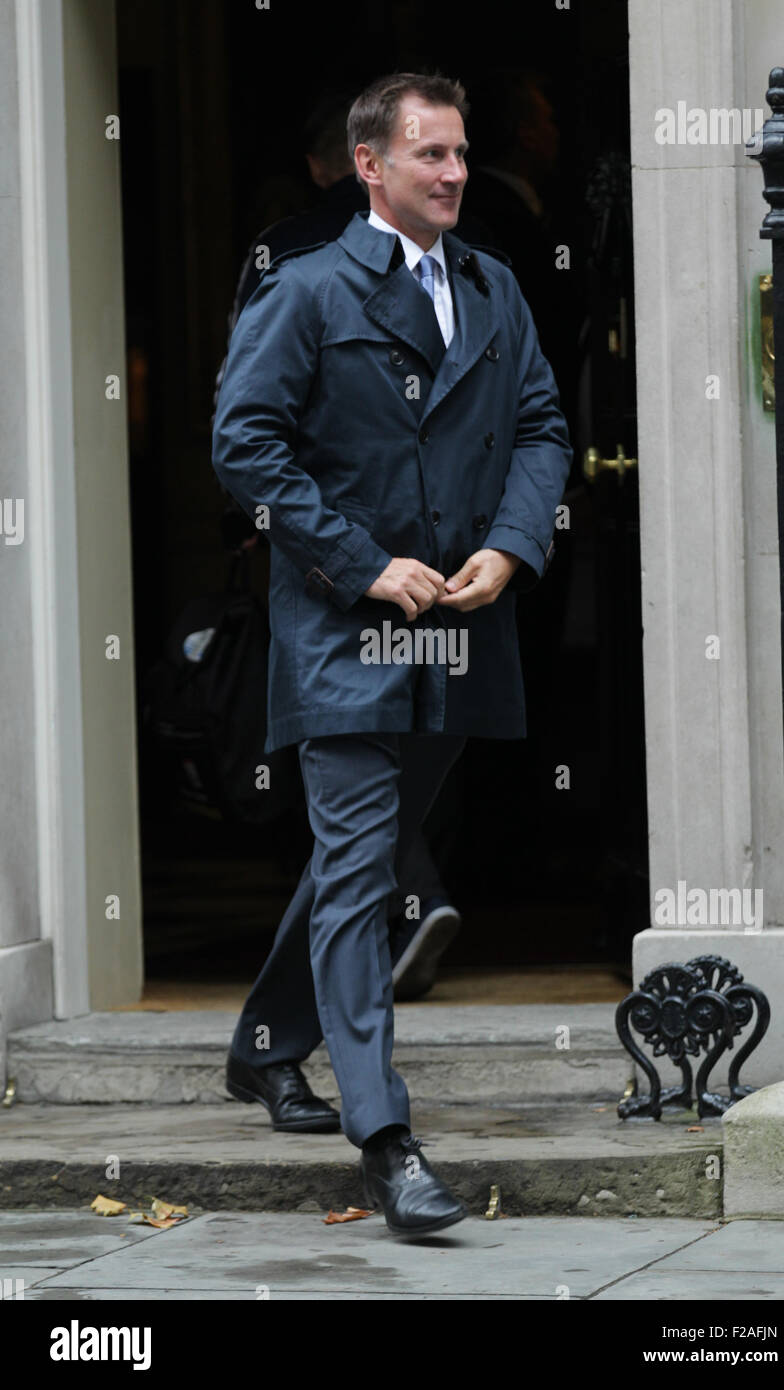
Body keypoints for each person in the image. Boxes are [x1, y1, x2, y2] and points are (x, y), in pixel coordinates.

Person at [212, 71, 573, 1238]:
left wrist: (514, 547)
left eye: (463, 153)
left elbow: (540, 425)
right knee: (365, 877)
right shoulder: (307, 291)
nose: (458, 173)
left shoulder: (495, 287)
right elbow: (244, 442)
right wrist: (362, 563)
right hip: (341, 633)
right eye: (433, 156)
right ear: (372, 166)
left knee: (350, 864)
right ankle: (388, 1140)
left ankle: (265, 1042)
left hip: (461, 633)